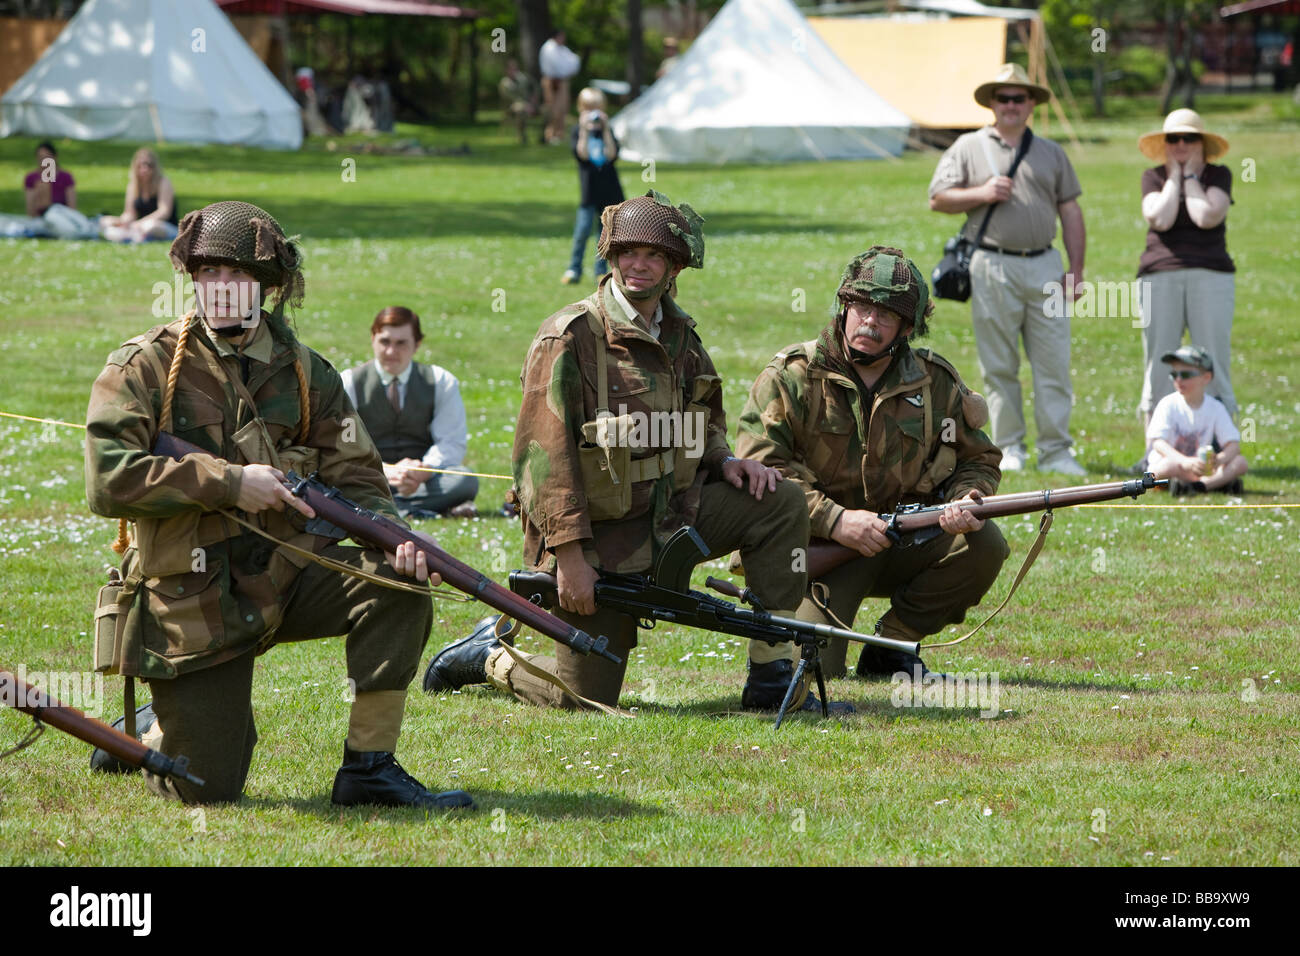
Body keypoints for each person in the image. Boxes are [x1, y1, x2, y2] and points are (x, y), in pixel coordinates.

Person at [84, 201, 472, 810]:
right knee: (207, 789)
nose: (220, 288)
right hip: (192, 595)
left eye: (236, 274)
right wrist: (231, 483)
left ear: (268, 286)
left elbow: (359, 475)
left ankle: (369, 769)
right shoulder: (145, 366)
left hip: (286, 575)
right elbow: (109, 480)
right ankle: (147, 731)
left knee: (396, 586)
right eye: (207, 273)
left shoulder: (308, 373)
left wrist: (394, 536)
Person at [423, 191, 836, 714]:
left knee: (780, 501)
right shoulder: (569, 337)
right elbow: (540, 463)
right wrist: (570, 557)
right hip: (598, 543)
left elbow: (703, 416)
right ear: (611, 257)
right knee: (583, 697)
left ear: (673, 267)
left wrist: (723, 460)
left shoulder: (681, 334)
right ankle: (488, 656)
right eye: (627, 253)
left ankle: (772, 672)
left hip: (673, 520)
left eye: (654, 255)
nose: (638, 264)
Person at [736, 246, 1009, 678]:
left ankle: (893, 645)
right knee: (809, 672)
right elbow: (762, 469)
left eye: (885, 314)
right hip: (820, 548)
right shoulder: (791, 375)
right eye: (861, 307)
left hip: (905, 541)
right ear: (844, 307)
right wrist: (836, 520)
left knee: (985, 544)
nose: (870, 321)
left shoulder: (934, 382)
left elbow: (977, 459)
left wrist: (966, 497)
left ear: (906, 327)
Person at [929, 63, 1087, 477]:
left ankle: (1056, 451)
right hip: (992, 265)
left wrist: (1078, 269)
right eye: (1004, 98)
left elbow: (1070, 210)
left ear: (1032, 103)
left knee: (1053, 361)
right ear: (992, 103)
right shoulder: (967, 146)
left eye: (1020, 98)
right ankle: (1010, 446)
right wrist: (982, 192)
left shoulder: (1052, 152)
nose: (1012, 105)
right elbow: (938, 198)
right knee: (999, 365)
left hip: (1046, 263)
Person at [1135, 109, 1237, 434]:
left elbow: (1205, 216)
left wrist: (1191, 177)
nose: (1181, 144)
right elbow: (1160, 218)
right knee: (1158, 362)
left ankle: (1222, 442)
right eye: (1173, 138)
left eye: (1189, 138)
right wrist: (1175, 178)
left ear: (1202, 143)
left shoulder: (1218, 175)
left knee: (1214, 358)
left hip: (1211, 274)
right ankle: (1155, 447)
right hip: (1159, 273)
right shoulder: (1152, 177)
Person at [341, 306, 479, 519]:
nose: (391, 352)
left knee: (466, 480)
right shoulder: (349, 382)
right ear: (372, 339)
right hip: (370, 477)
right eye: (385, 342)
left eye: (401, 343)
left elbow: (451, 443)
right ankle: (419, 509)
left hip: (420, 480)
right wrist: (385, 470)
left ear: (417, 344)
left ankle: (380, 509)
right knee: (336, 479)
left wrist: (424, 470)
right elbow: (345, 446)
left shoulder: (441, 382)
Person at [1146, 345, 1247, 496]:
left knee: (1240, 462)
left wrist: (1218, 460)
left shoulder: (1215, 407)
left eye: (1186, 374)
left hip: (1201, 468)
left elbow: (1233, 446)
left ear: (1206, 378)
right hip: (1175, 464)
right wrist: (1184, 461)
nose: (1179, 379)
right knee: (1166, 467)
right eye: (1174, 374)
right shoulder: (1168, 404)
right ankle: (1216, 484)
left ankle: (1199, 486)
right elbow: (1158, 444)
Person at [562, 87, 624, 285]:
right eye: (588, 109)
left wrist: (605, 129)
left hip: (610, 192)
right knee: (582, 232)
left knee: (604, 235)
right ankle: (574, 268)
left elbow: (612, 155)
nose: (593, 114)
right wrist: (583, 129)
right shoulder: (578, 133)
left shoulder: (608, 132)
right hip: (589, 194)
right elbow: (582, 155)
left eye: (597, 109)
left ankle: (601, 270)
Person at [99, 147, 179, 243]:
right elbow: (130, 213)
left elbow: (164, 212)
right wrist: (124, 221)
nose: (144, 169)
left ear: (155, 167)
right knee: (105, 221)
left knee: (151, 226)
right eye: (140, 166)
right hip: (138, 226)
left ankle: (134, 236)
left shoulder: (163, 182)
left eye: (149, 165)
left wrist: (139, 223)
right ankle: (131, 236)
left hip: (163, 226)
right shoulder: (133, 186)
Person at [539, 30, 581, 145]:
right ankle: (549, 134)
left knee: (562, 109)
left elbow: (574, 61)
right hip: (551, 81)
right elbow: (559, 67)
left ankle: (559, 134)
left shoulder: (562, 49)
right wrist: (566, 70)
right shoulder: (549, 48)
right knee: (553, 109)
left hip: (562, 81)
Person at [23, 141, 76, 217]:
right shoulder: (32, 178)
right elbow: (31, 212)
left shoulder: (65, 177)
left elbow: (72, 208)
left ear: (55, 157)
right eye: (40, 158)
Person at [499, 58, 539, 145]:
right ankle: (523, 137)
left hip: (528, 105)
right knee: (520, 110)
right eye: (512, 69)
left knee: (547, 111)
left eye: (516, 68)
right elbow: (510, 99)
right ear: (507, 70)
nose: (514, 71)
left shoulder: (523, 78)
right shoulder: (505, 83)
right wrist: (526, 105)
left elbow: (534, 86)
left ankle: (542, 138)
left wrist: (533, 100)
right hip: (512, 107)